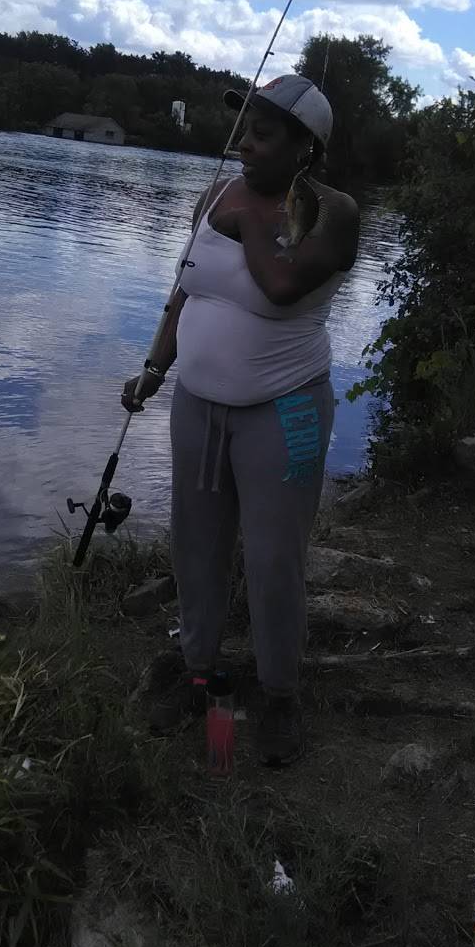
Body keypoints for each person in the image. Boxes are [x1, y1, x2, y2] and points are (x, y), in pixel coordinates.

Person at [122, 74, 359, 766]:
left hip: (286, 409)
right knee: (195, 545)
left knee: (273, 556)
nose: (244, 144)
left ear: (304, 148)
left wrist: (252, 219)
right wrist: (156, 366)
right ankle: (199, 673)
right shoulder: (211, 194)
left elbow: (282, 284)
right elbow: (184, 287)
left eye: (262, 132)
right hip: (198, 402)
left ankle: (279, 694)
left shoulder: (332, 211)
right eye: (243, 128)